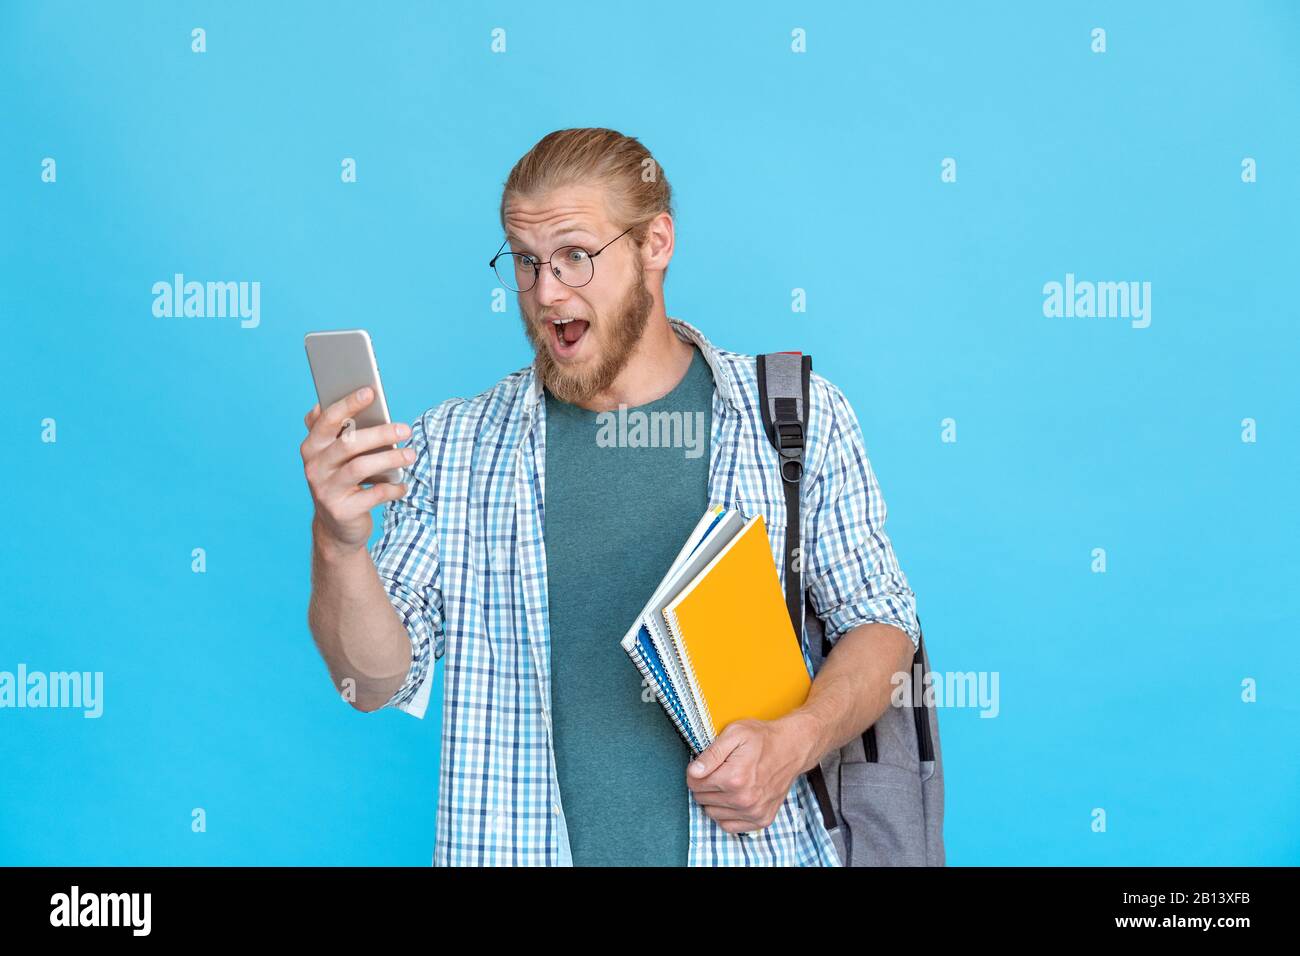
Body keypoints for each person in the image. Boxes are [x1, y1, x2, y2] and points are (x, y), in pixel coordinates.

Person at [301, 128, 920, 866]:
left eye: (574, 256)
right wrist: (339, 544)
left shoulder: (792, 419)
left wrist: (796, 740)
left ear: (656, 242)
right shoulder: (454, 447)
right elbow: (372, 682)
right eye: (525, 262)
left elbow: (883, 627)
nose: (545, 292)